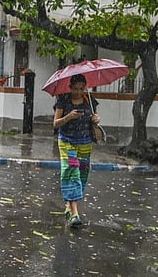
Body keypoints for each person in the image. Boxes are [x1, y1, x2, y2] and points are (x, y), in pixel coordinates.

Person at [53, 73, 100, 228]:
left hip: (85, 143)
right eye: (75, 89)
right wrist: (68, 117)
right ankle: (75, 213)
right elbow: (56, 123)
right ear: (70, 87)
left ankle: (69, 205)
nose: (78, 92)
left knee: (82, 175)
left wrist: (96, 119)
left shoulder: (89, 100)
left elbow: (94, 119)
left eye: (81, 88)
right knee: (72, 172)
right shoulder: (63, 100)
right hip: (67, 141)